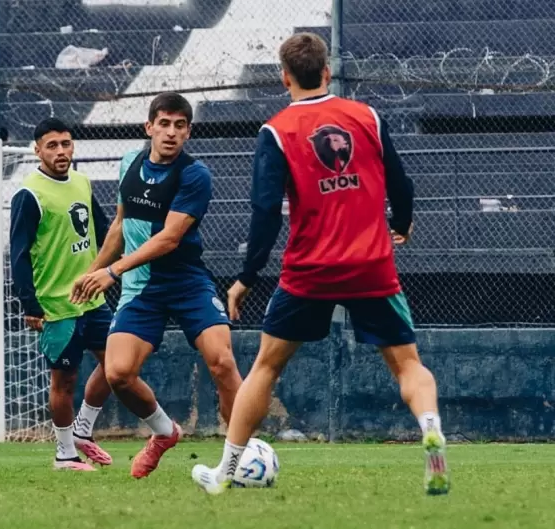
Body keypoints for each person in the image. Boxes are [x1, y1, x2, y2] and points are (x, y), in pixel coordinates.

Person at [191, 32, 449, 496]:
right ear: (327, 71)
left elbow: (266, 212)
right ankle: (430, 431)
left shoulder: (276, 131)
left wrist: (246, 277)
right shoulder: (366, 115)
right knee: (408, 365)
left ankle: (224, 474)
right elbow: (401, 182)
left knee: (266, 368)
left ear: (284, 76)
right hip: (371, 264)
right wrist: (403, 223)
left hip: (309, 270)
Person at [72, 92, 243, 479]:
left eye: (179, 126)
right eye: (163, 124)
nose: (170, 133)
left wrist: (111, 272)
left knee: (223, 362)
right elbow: (119, 225)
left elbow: (168, 239)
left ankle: (237, 459)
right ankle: (164, 433)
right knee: (117, 373)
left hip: (187, 282)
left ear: (188, 132)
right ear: (149, 126)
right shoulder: (129, 162)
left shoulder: (195, 175)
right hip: (141, 288)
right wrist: (93, 273)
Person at [10, 118, 114, 471]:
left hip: (93, 299)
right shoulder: (30, 193)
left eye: (66, 144)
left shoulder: (83, 183)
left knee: (117, 366)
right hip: (56, 306)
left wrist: (108, 272)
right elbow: (19, 253)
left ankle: (84, 428)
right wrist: (29, 303)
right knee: (64, 380)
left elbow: (103, 232)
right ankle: (65, 453)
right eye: (52, 145)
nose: (60, 151)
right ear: (37, 150)